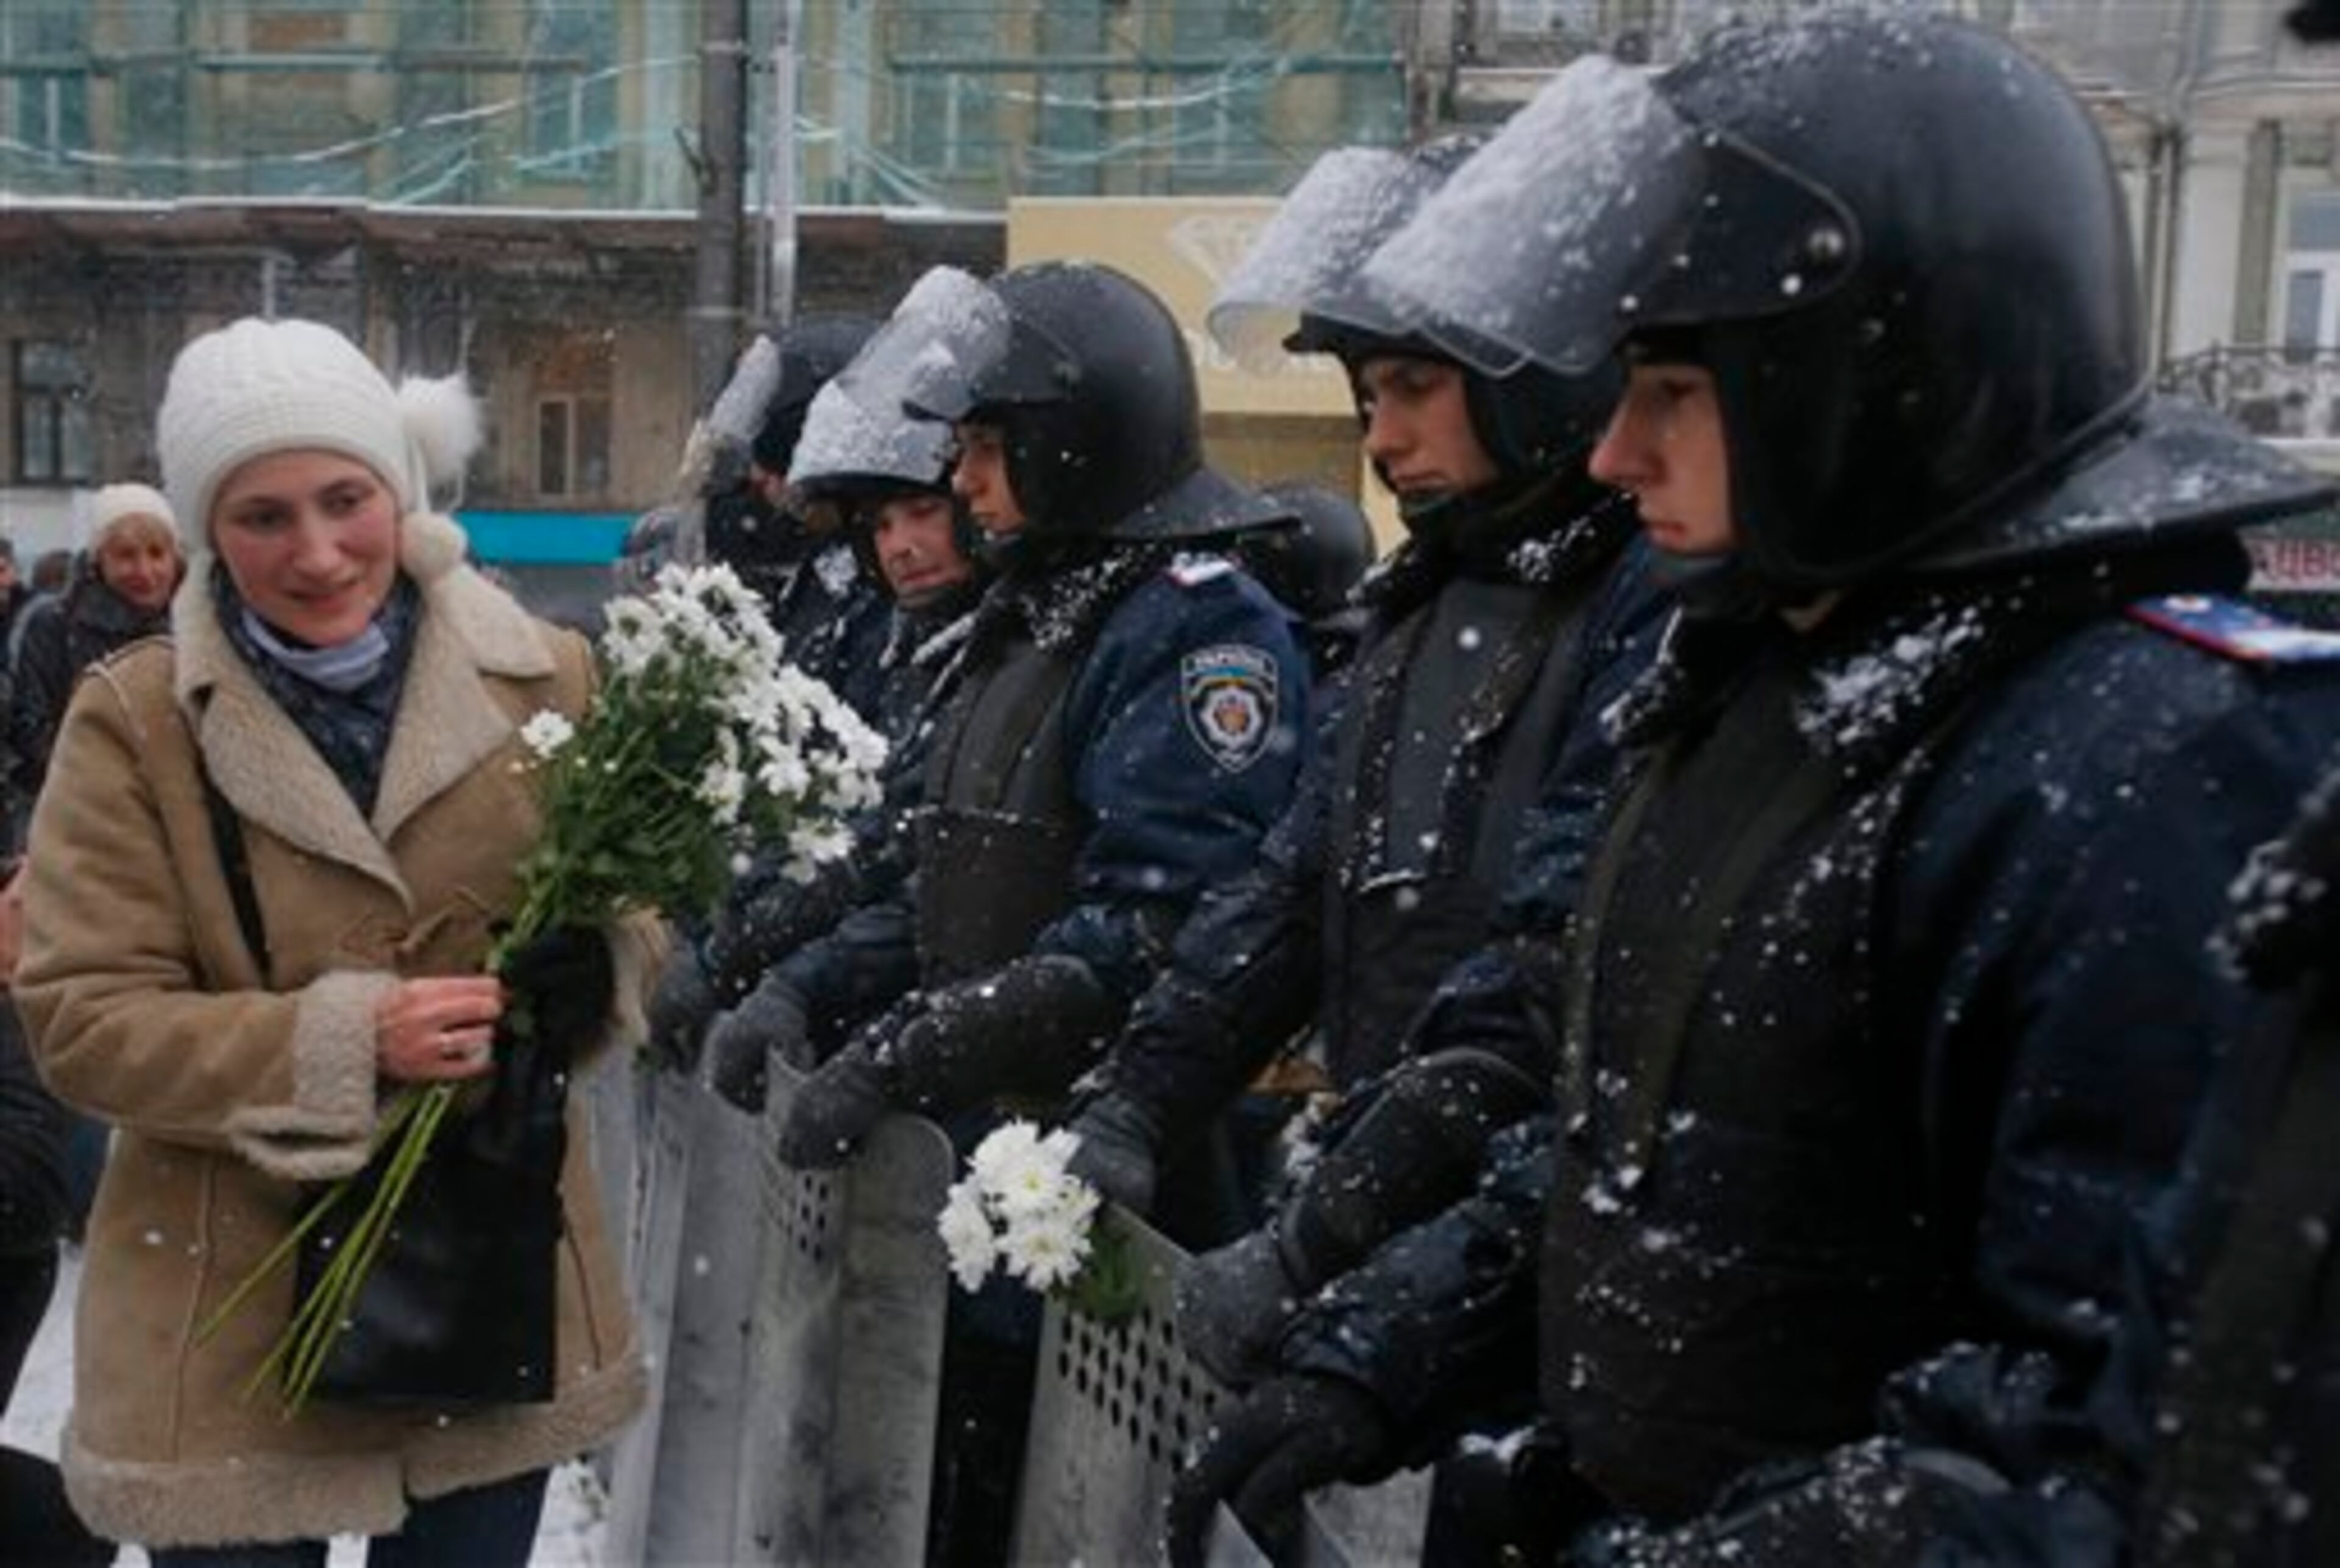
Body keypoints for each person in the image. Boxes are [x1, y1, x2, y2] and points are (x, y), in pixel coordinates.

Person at [1288, 16, 2340, 1564]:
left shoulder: (2145, 755)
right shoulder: (1762, 686)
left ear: (1853, 381)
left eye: (1671, 391)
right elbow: (1616, 1164)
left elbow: (2094, 1419)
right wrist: (1373, 1351)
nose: (1611, 456)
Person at [12, 317, 658, 1563]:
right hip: (226, 1312)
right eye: (262, 516)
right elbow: (85, 1020)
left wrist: (605, 965)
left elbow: (636, 910)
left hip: (486, 1277)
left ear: (397, 485)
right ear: (210, 527)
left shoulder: (551, 679)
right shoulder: (136, 723)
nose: (317, 552)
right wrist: (347, 1037)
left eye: (345, 498)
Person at [1062, 138, 1659, 1348]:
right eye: (1368, 393)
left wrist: (1320, 1232)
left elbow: (1550, 964)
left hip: (1537, 1245)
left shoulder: (1647, 601)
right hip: (1400, 1218)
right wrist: (1138, 1093)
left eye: (1413, 387)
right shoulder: (1422, 600)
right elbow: (1290, 883)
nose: (1381, 435)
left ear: (1526, 368)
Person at [763, 260, 1312, 1564]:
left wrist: (908, 1050)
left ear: (1078, 440)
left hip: (1118, 1178)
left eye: (988, 448)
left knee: (1084, 1522)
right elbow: (938, 870)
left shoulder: (1191, 630)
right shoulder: (1037, 620)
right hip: (995, 1166)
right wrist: (793, 978)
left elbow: (1157, 930)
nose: (958, 484)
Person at [667, 367, 991, 1107]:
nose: (902, 546)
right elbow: (857, 836)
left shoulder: (988, 648)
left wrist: (781, 972)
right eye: (880, 526)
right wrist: (733, 928)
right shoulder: (916, 644)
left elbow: (915, 867)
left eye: (922, 513)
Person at [7, 483, 185, 849]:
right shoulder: (54, 626)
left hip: (184, 821)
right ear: (98, 561)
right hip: (80, 822)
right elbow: (31, 727)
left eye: (157, 553)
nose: (145, 570)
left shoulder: (201, 624)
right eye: (126, 556)